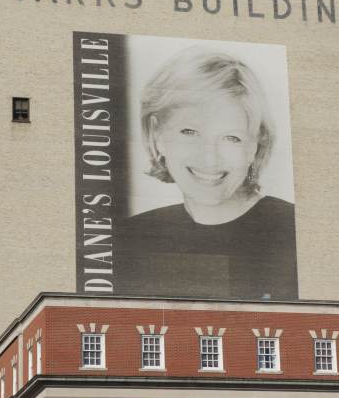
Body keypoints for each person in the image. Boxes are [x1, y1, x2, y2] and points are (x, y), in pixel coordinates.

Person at [117, 50, 298, 300]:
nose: (210, 159)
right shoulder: (129, 237)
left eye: (231, 138)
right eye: (189, 132)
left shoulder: (292, 231)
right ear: (157, 134)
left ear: (254, 146)